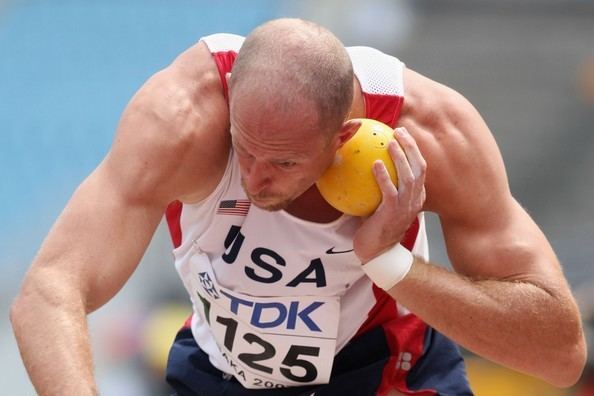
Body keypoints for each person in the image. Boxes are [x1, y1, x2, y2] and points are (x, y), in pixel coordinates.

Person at [10, 18, 586, 395]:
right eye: (245, 149)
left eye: (284, 163)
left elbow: (559, 354)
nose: (256, 180)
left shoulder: (430, 135)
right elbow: (48, 290)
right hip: (221, 375)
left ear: (344, 136)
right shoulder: (182, 119)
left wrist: (388, 264)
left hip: (385, 370)